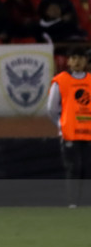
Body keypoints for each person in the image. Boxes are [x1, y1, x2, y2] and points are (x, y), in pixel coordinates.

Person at [47, 46, 91, 207]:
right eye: (73, 58)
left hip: (89, 133)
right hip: (70, 133)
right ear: (68, 61)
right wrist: (61, 124)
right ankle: (73, 202)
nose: (77, 61)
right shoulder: (61, 80)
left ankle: (86, 200)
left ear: (86, 61)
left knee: (87, 167)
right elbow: (51, 108)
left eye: (80, 57)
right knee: (74, 167)